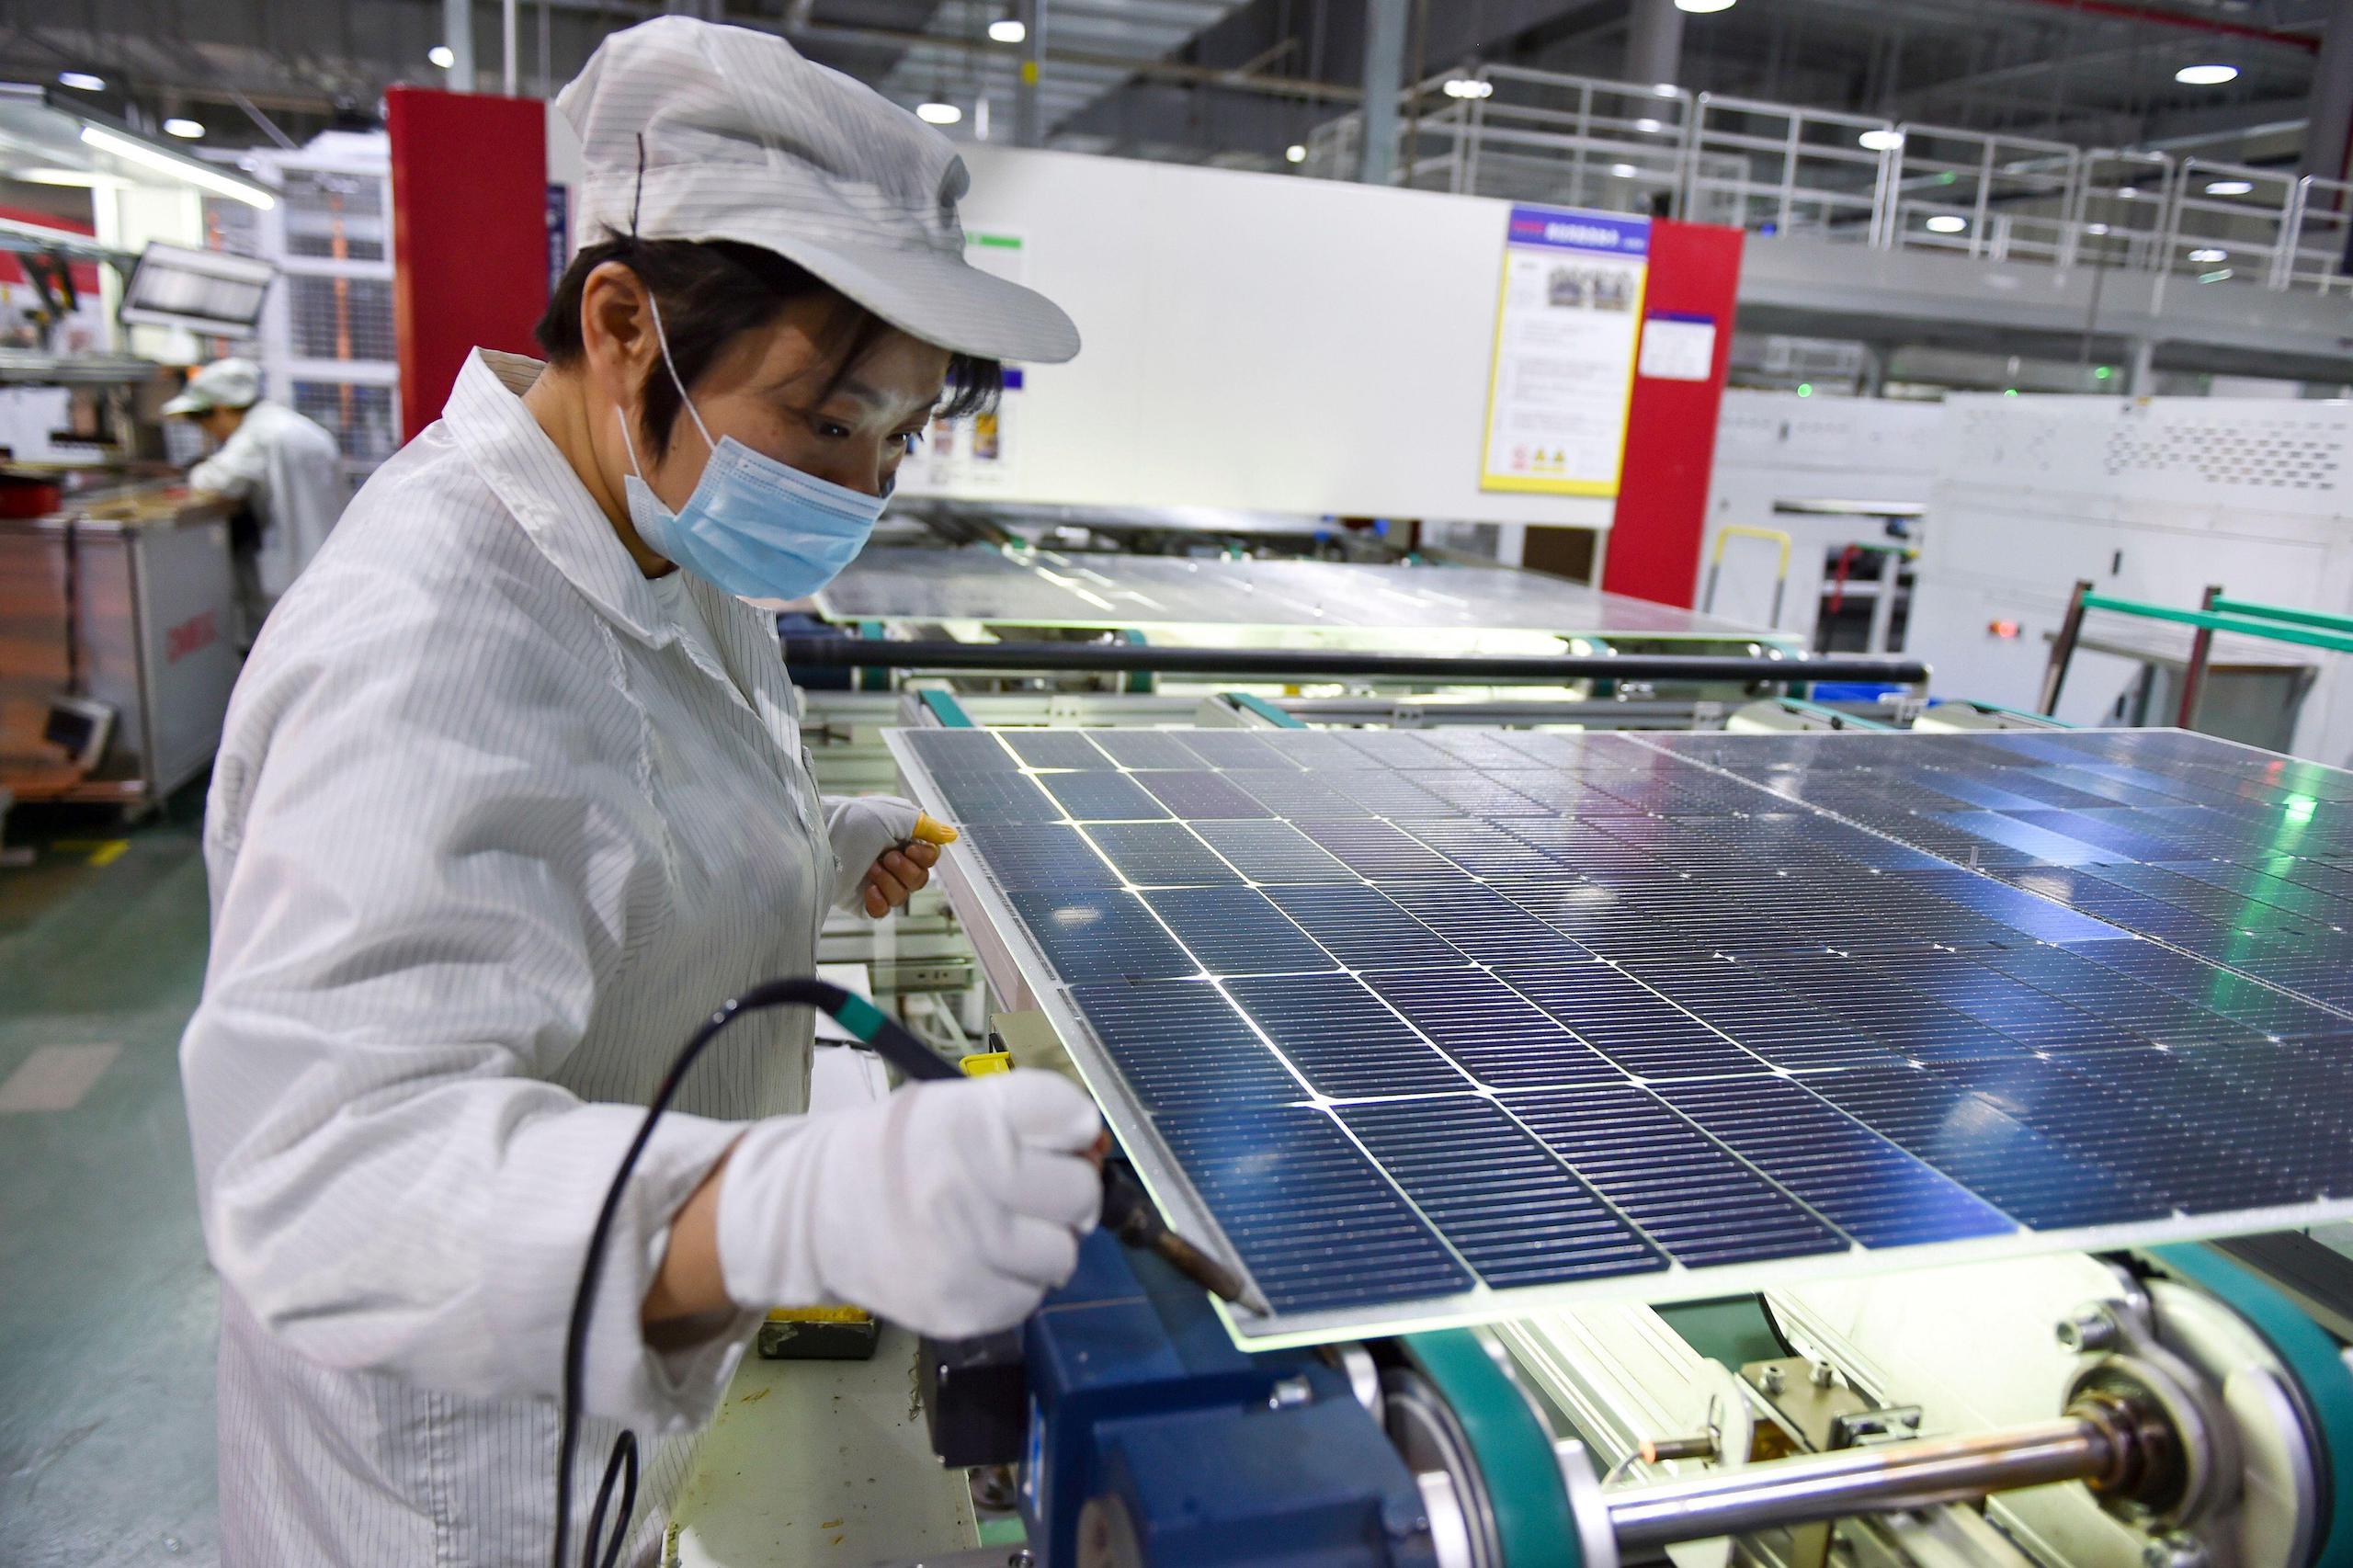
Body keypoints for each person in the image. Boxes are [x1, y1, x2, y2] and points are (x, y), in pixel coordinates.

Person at [176, 18, 1098, 1564]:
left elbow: (610, 847)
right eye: (829, 417)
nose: (863, 488)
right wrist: (771, 1208)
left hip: (626, 1439)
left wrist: (810, 844)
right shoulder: (424, 644)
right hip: (461, 1494)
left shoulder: (669, 538)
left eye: (902, 434)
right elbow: (327, 1175)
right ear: (621, 322)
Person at [163, 357, 347, 641]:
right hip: (330, 565)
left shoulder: (258, 435)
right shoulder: (296, 426)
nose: (209, 431)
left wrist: (194, 472)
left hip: (290, 576)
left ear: (221, 409)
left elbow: (215, 480)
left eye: (205, 421)